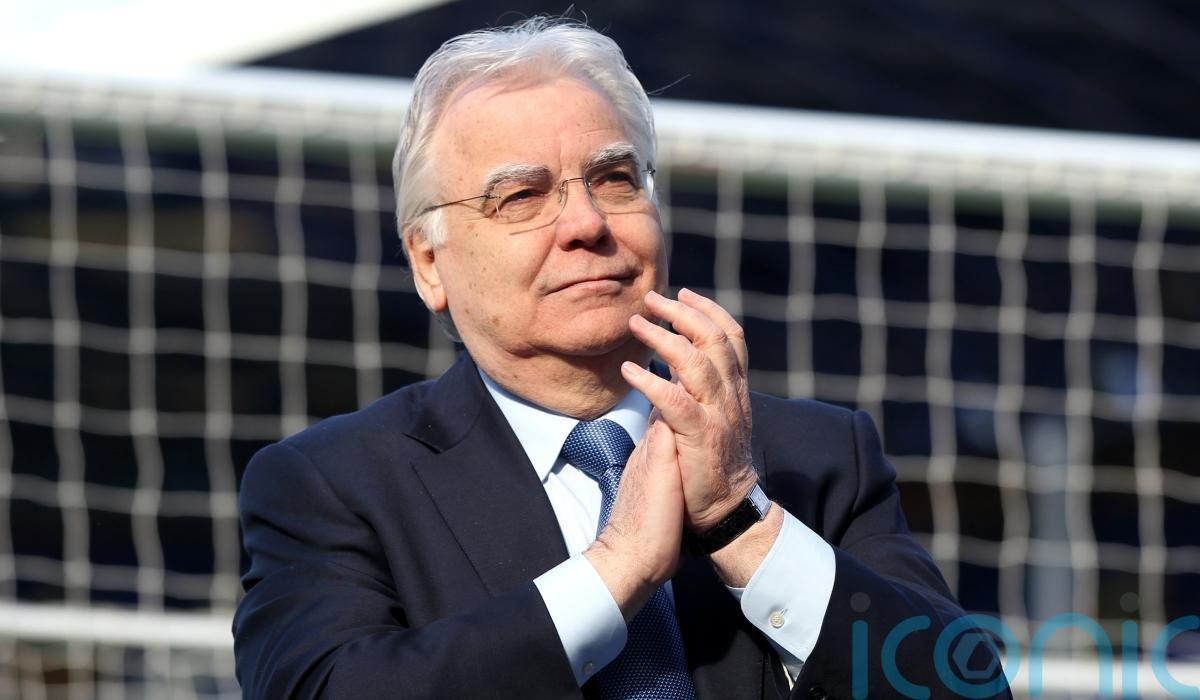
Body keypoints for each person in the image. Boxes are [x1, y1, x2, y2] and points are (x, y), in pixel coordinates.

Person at [233, 16, 1009, 700]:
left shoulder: (817, 456)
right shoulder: (331, 484)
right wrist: (614, 572)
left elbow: (963, 685)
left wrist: (742, 524)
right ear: (428, 263)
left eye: (613, 179)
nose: (586, 224)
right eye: (522, 196)